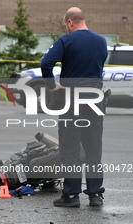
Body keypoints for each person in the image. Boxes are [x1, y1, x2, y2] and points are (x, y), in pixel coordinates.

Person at [41, 7, 107, 207]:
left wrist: (52, 86)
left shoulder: (66, 41)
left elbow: (46, 64)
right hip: (95, 98)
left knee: (70, 149)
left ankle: (71, 196)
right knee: (94, 148)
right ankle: (95, 195)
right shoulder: (101, 41)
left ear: (70, 22)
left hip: (73, 98)